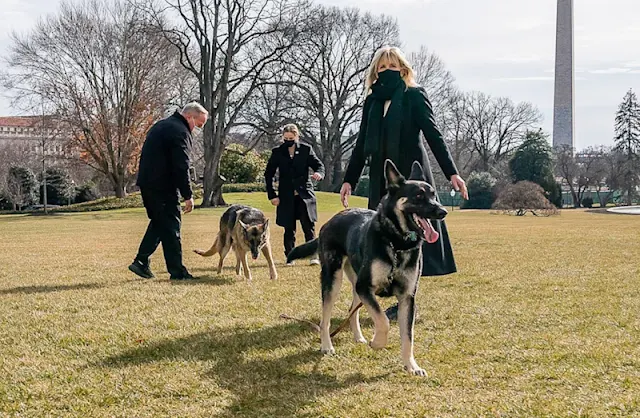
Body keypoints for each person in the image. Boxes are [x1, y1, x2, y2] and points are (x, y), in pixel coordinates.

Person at [340, 46, 468, 318]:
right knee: (382, 236)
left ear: (403, 69)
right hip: (381, 180)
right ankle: (380, 288)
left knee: (413, 236)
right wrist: (349, 179)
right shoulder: (371, 103)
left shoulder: (414, 96)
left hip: (411, 178)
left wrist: (452, 172)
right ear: (375, 72)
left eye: (392, 66)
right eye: (382, 67)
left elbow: (434, 135)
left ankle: (407, 300)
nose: (387, 71)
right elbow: (362, 144)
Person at [128, 102, 208, 280]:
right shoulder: (180, 131)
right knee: (172, 227)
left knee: (160, 222)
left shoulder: (163, 125)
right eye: (199, 124)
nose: (198, 129)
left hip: (149, 183)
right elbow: (181, 166)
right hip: (163, 186)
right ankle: (177, 272)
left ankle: (141, 261)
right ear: (189, 117)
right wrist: (188, 195)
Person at [265, 124, 325, 266]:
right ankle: (290, 256)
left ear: (296, 136)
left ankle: (313, 255)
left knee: (308, 225)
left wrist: (319, 174)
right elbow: (269, 174)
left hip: (304, 193)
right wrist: (272, 195)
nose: (288, 141)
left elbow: (319, 165)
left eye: (291, 138)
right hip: (286, 195)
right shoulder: (277, 152)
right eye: (285, 138)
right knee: (288, 227)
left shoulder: (306, 150)